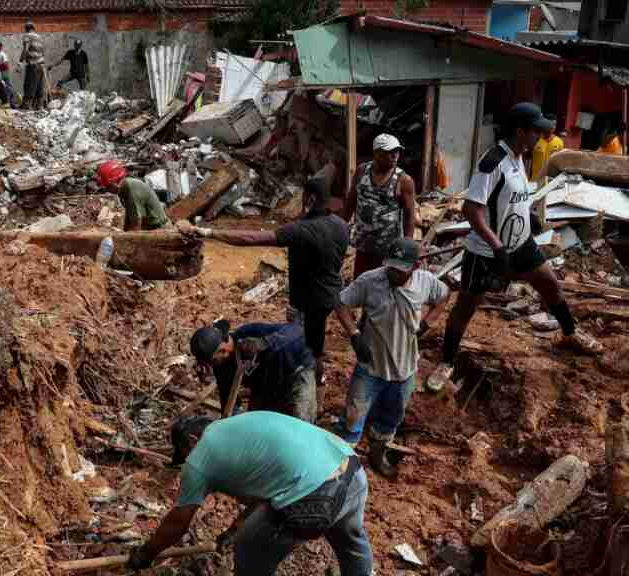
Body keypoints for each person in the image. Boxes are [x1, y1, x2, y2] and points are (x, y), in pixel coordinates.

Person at [435, 103, 601, 390]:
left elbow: (512, 199)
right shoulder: (493, 162)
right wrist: (498, 247)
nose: (540, 135)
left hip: (521, 244)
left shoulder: (519, 158)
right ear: (520, 130)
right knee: (466, 307)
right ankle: (446, 362)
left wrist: (529, 218)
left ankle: (570, 333)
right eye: (535, 130)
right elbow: (471, 210)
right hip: (487, 251)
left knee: (550, 285)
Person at [127, 412, 372, 576]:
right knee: (350, 540)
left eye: (184, 451)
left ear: (192, 440)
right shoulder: (240, 427)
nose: (188, 459)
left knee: (249, 550)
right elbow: (270, 489)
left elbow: (179, 521)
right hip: (350, 467)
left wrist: (145, 554)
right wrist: (234, 529)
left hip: (315, 494)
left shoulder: (200, 456)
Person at [177, 176, 349, 408]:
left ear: (309, 198)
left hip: (305, 300)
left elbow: (251, 237)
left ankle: (308, 397)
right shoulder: (339, 225)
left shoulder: (303, 230)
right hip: (329, 295)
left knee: (301, 343)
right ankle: (318, 389)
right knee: (313, 347)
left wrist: (206, 232)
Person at [333, 238, 449, 478]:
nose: (393, 272)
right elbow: (341, 303)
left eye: (400, 269)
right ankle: (342, 464)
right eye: (391, 267)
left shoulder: (425, 282)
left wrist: (428, 323)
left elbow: (443, 296)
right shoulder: (370, 280)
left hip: (404, 367)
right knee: (354, 415)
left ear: (416, 266)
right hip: (370, 365)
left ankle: (378, 454)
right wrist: (355, 334)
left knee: (391, 416)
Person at [190, 319, 318, 422]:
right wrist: (230, 422)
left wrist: (265, 342)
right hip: (265, 386)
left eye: (212, 361)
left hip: (296, 370)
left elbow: (297, 330)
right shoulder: (221, 365)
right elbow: (228, 397)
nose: (211, 365)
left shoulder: (251, 332)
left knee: (301, 423)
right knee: (256, 425)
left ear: (223, 350)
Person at [342, 133, 417, 278]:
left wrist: (407, 245)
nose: (395, 155)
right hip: (363, 242)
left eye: (397, 151)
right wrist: (341, 226)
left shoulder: (404, 180)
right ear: (376, 153)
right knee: (361, 280)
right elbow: (351, 199)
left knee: (383, 284)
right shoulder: (362, 171)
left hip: (388, 246)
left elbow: (409, 214)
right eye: (389, 152)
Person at [96, 160, 169, 231]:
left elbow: (137, 222)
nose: (107, 190)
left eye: (108, 187)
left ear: (115, 183)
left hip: (158, 228)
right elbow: (130, 217)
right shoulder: (124, 189)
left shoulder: (131, 187)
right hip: (150, 226)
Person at [20, 21, 47, 110]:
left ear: (27, 28)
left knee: (29, 84)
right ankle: (39, 105)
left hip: (33, 64)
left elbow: (25, 49)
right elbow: (43, 52)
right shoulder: (39, 37)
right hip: (41, 64)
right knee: (39, 86)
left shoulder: (27, 36)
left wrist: (20, 62)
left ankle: (27, 105)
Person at [530, 114, 564, 184]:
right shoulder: (535, 139)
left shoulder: (559, 142)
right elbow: (527, 159)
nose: (552, 127)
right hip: (534, 180)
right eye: (550, 124)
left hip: (550, 181)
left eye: (554, 124)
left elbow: (560, 164)